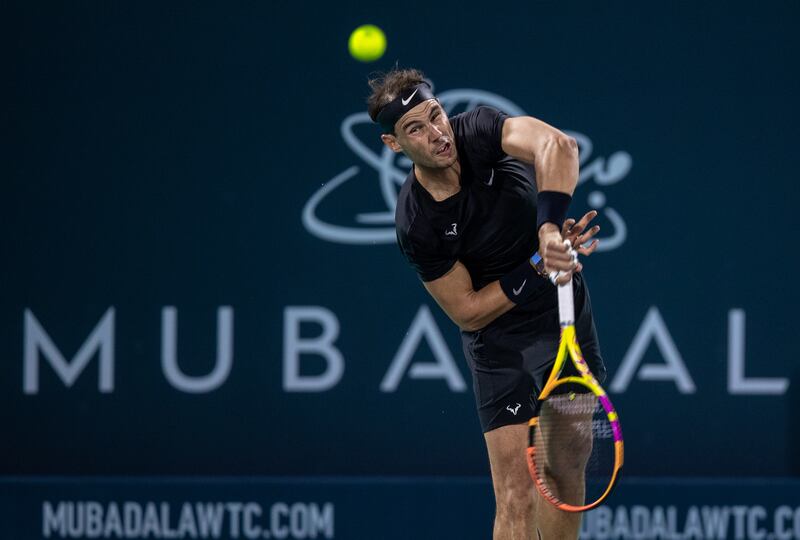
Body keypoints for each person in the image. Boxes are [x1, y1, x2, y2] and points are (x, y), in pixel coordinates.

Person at [368, 68, 607, 540]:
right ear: (393, 144)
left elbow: (560, 147)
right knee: (516, 495)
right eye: (415, 128)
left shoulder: (477, 131)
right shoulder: (416, 223)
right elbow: (468, 310)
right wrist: (540, 262)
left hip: (561, 315)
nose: (437, 134)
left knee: (566, 464)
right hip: (498, 344)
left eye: (435, 116)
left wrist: (550, 227)